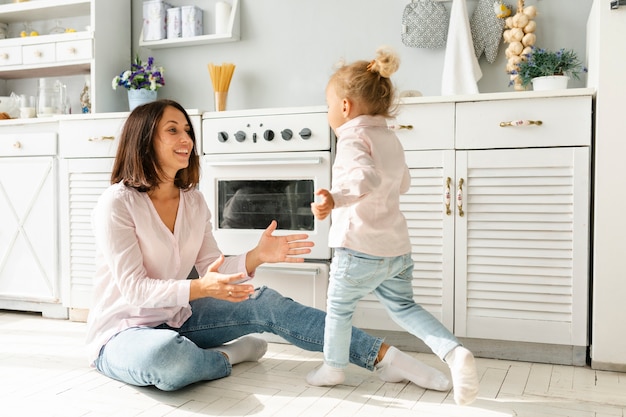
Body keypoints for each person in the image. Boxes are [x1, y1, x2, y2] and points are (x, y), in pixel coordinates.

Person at [85, 99, 453, 393]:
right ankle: (229, 356)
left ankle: (387, 359)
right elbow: (134, 290)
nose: (186, 139)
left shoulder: (193, 200)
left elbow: (213, 264)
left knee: (269, 302)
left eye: (187, 130)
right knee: (166, 359)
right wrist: (199, 288)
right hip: (122, 331)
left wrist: (256, 256)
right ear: (143, 138)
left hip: (179, 316)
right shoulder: (117, 203)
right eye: (172, 130)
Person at [307, 48, 480, 406]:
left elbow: (365, 178)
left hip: (357, 247)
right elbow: (402, 184)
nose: (327, 113)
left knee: (339, 310)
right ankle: (453, 353)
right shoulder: (391, 137)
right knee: (405, 308)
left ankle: (333, 366)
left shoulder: (352, 138)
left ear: (345, 107)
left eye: (327, 105)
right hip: (397, 250)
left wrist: (334, 199)